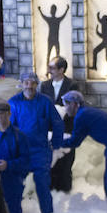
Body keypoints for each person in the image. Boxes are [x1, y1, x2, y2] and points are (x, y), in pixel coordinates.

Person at [8, 73, 64, 213]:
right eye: (26, 83)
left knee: (42, 185)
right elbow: (9, 128)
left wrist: (56, 143)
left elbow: (57, 123)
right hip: (22, 151)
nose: (29, 86)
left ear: (36, 85)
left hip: (40, 150)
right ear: (22, 84)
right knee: (16, 186)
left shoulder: (45, 102)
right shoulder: (14, 103)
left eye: (32, 83)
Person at [42, 56, 81, 192]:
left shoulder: (72, 85)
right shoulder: (45, 85)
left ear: (61, 69)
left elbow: (75, 107)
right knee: (51, 162)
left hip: (67, 129)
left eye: (52, 68)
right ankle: (51, 190)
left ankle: (65, 192)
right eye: (49, 67)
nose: (49, 70)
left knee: (66, 163)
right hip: (50, 130)